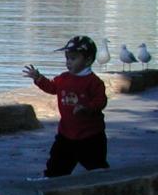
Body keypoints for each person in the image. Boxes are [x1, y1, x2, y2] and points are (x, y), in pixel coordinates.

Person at [22, 35, 109, 178]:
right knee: (56, 167)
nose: (68, 62)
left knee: (97, 167)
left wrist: (87, 107)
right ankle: (51, 181)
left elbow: (101, 101)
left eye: (73, 58)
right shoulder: (63, 78)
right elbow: (52, 87)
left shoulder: (94, 82)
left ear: (88, 60)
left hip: (91, 135)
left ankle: (104, 185)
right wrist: (39, 78)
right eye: (67, 58)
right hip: (66, 133)